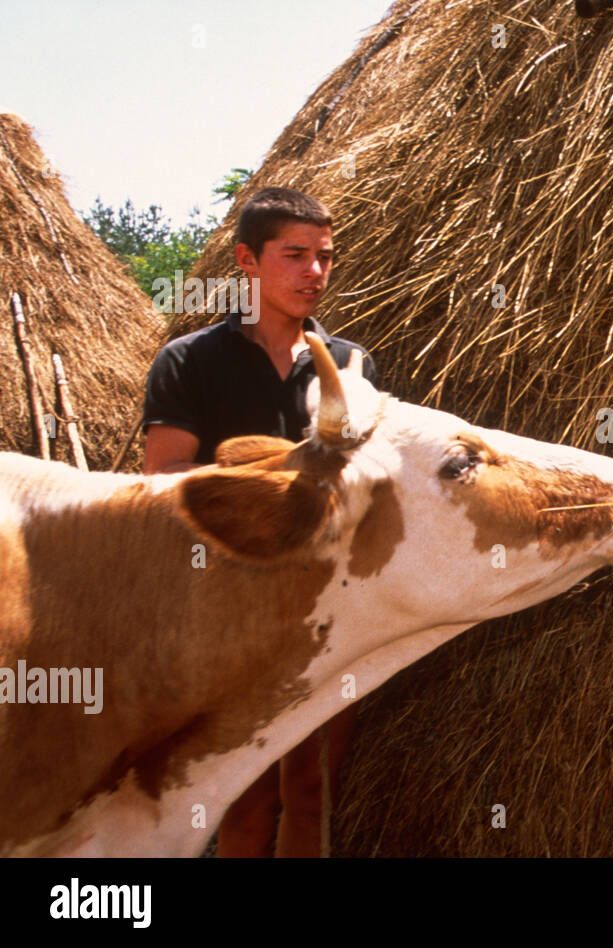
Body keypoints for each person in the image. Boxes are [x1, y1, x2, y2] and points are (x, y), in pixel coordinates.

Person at [142, 187, 377, 857]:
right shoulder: (187, 362)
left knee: (312, 793)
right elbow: (161, 483)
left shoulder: (354, 366)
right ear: (248, 260)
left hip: (325, 612)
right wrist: (277, 479)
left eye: (326, 257)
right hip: (223, 611)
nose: (315, 273)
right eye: (295, 255)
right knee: (245, 799)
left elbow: (370, 484)